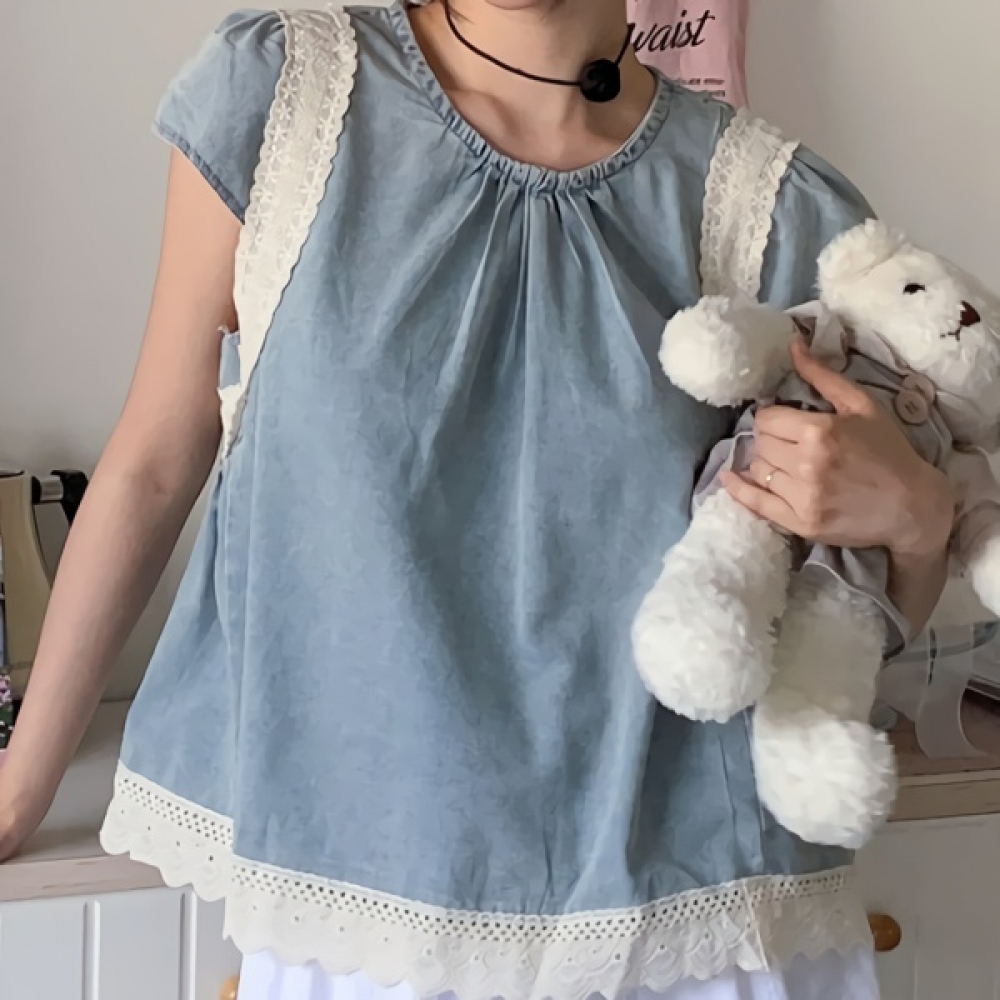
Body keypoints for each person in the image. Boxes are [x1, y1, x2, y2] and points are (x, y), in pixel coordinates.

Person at [0, 2, 956, 998]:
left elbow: (840, 610)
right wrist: (20, 786)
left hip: (688, 923)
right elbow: (157, 459)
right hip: (362, 904)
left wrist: (918, 519)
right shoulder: (287, 96)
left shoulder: (770, 201)